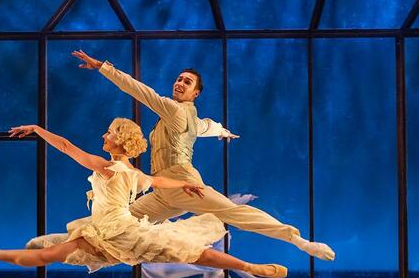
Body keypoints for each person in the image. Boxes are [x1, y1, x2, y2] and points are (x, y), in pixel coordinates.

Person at [71, 50, 335, 261]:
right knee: (118, 220)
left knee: (233, 212)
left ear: (195, 93)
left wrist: (103, 67)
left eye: (187, 81)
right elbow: (205, 126)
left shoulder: (174, 110)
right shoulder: (186, 116)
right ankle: (67, 247)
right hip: (164, 191)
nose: (179, 83)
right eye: (179, 78)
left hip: (184, 184)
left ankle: (298, 240)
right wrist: (223, 131)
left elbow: (139, 90)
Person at [0, 118, 287, 278]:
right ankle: (249, 266)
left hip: (114, 230)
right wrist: (183, 186)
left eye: (109, 133)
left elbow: (67, 147)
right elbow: (156, 179)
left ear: (119, 142)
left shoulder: (108, 168)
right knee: (193, 253)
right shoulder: (131, 172)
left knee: (51, 255)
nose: (103, 135)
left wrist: (38, 129)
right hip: (110, 229)